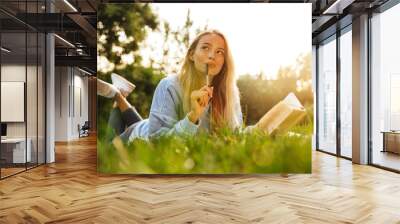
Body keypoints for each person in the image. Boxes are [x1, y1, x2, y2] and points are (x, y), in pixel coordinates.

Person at [98, 30, 246, 143]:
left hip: (151, 124)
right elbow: (157, 142)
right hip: (139, 137)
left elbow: (235, 138)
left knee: (144, 124)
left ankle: (118, 92)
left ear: (224, 61)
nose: (212, 55)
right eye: (205, 48)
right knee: (109, 149)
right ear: (191, 55)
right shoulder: (170, 85)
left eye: (219, 51)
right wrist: (193, 116)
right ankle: (116, 93)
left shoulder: (230, 94)